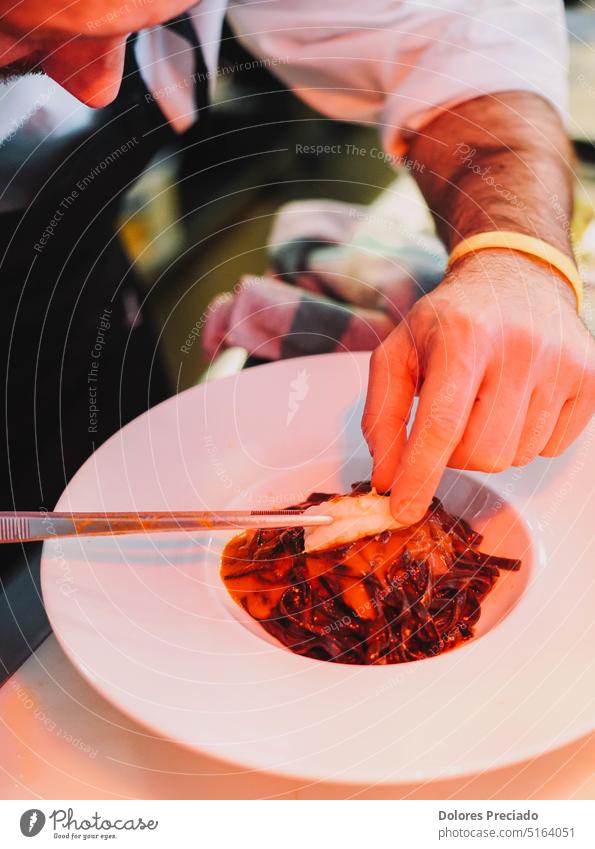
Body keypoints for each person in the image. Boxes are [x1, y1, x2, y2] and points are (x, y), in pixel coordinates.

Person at [0, 0, 593, 529]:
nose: (102, 85)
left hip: (68, 309)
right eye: (18, 29)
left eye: (144, 25)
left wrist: (516, 261)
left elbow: (458, 39)